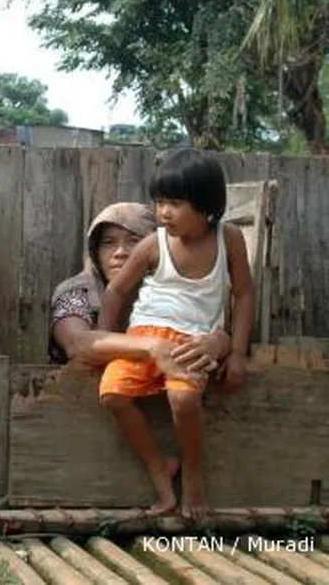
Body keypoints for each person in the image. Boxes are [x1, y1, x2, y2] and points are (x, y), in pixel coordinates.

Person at [98, 149, 254, 519]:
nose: (163, 212)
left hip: (193, 343)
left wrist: (237, 353)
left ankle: (194, 476)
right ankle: (159, 466)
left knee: (184, 401)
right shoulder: (154, 244)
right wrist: (105, 340)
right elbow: (116, 291)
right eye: (160, 202)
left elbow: (244, 293)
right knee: (112, 394)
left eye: (174, 203)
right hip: (145, 339)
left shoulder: (228, 239)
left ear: (205, 205)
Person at [49, 202, 233, 373]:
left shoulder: (173, 289)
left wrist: (218, 343)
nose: (120, 252)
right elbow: (76, 344)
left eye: (133, 240)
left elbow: (208, 328)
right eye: (108, 243)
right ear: (95, 251)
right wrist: (152, 347)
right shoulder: (77, 292)